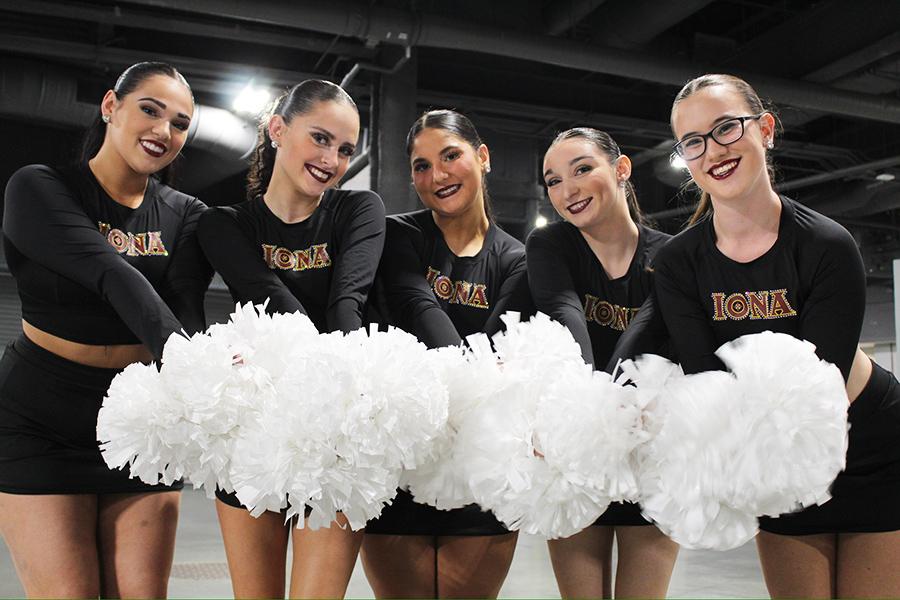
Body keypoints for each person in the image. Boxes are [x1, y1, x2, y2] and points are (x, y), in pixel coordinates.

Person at [655, 72, 900, 598]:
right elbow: (706, 382)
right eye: (693, 142)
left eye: (725, 128)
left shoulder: (827, 244)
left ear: (764, 128)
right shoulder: (679, 262)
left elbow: (823, 384)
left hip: (872, 445)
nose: (712, 151)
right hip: (773, 457)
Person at [0, 61, 211, 597]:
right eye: (150, 110)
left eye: (181, 123)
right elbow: (111, 274)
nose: (165, 131)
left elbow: (187, 309)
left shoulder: (186, 215)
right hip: (41, 418)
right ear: (111, 105)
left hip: (140, 422)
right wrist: (189, 358)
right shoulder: (38, 188)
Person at [197, 79, 385, 599]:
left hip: (335, 434)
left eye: (345, 149)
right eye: (320, 138)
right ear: (278, 129)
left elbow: (348, 302)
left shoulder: (358, 211)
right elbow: (272, 297)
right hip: (254, 431)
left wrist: (343, 403)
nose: (332, 159)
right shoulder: (224, 224)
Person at [362, 109, 531, 598]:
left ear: (482, 157)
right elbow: (415, 302)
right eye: (420, 165)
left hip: (481, 465)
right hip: (399, 464)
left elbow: (502, 344)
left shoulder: (517, 260)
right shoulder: (396, 235)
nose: (436, 176)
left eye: (450, 156)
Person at [526, 127, 679, 599]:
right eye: (553, 181)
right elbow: (565, 316)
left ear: (621, 168)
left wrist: (611, 409)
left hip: (649, 450)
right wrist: (589, 415)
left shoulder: (672, 254)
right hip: (575, 451)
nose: (567, 190)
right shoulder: (550, 246)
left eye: (582, 169)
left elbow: (652, 333)